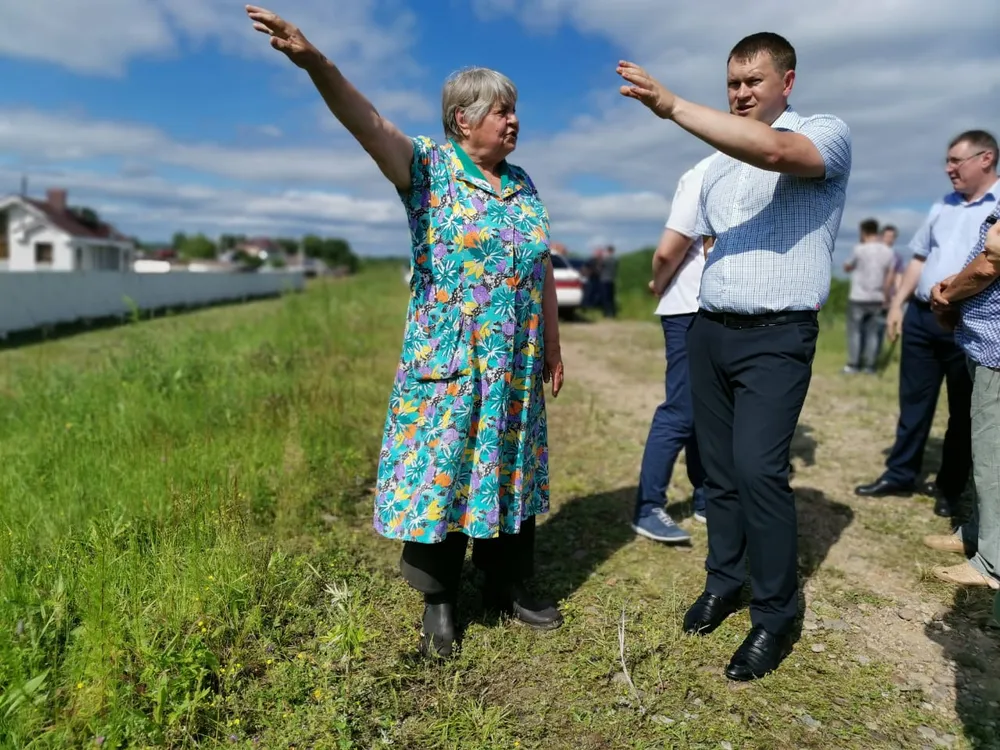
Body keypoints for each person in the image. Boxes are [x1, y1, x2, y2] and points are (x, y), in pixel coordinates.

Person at [245, 6, 566, 658]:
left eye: (515, 110)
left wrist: (553, 345)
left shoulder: (523, 184)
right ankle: (438, 600)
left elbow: (540, 268)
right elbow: (369, 125)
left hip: (513, 361)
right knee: (442, 472)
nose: (514, 120)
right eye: (501, 111)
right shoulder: (428, 168)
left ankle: (505, 582)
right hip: (451, 361)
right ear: (463, 120)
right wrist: (316, 63)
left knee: (508, 467)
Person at [617, 32, 851, 681]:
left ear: (787, 82)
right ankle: (724, 579)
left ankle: (774, 614)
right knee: (717, 472)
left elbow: (775, 152)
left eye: (754, 81)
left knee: (758, 471)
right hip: (710, 329)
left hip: (777, 335)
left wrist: (671, 106)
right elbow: (706, 241)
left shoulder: (824, 133)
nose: (741, 93)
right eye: (733, 83)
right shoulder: (717, 165)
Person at [855, 131, 998, 518]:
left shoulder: (998, 205)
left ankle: (951, 488)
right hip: (921, 316)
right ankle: (900, 474)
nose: (948, 168)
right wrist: (898, 305)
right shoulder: (942, 205)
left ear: (985, 159)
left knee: (963, 411)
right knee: (913, 401)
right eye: (947, 161)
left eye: (956, 161)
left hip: (966, 321)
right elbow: (919, 257)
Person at [632, 152, 719, 544]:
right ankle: (648, 507)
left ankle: (705, 498)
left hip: (716, 307)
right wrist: (659, 284)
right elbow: (668, 251)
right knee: (682, 409)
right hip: (688, 307)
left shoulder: (744, 167)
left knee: (707, 409)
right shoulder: (703, 173)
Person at [925, 207, 1000, 590]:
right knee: (984, 448)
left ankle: (991, 561)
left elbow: (993, 260)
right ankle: (977, 533)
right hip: (985, 345)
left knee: (991, 455)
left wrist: (948, 296)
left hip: (996, 349)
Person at [842, 218, 896, 374]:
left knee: (855, 332)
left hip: (858, 296)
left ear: (863, 232)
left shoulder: (859, 249)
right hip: (877, 297)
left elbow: (847, 266)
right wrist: (886, 296)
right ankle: (870, 366)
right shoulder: (888, 251)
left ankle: (853, 364)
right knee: (873, 333)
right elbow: (889, 277)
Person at [599, 245, 618, 318]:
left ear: (608, 251)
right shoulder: (615, 259)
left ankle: (606, 313)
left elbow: (600, 267)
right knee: (611, 297)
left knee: (605, 297)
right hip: (612, 279)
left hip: (604, 279)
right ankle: (612, 313)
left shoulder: (605, 259)